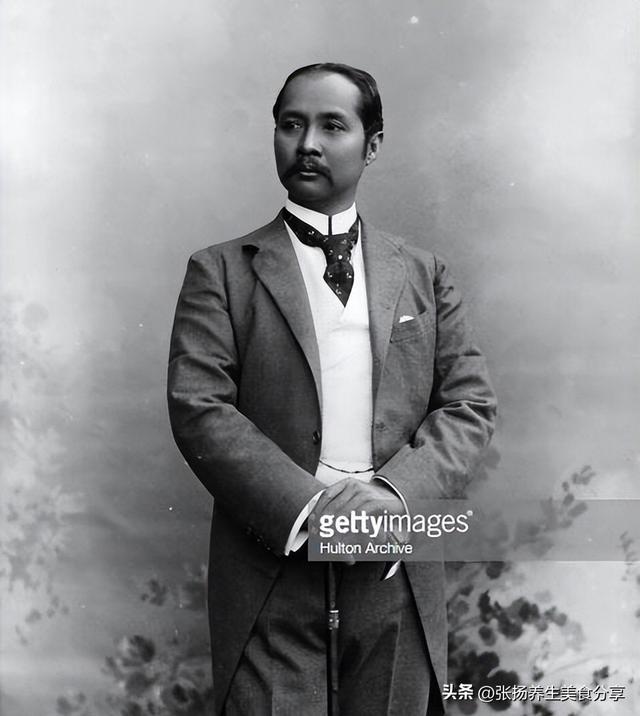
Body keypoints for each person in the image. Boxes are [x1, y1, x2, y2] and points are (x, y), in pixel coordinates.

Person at [168, 62, 496, 715]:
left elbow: (469, 405)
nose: (308, 144)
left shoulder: (424, 275)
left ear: (372, 145)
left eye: (332, 126)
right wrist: (311, 512)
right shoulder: (220, 272)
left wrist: (393, 497)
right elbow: (199, 408)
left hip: (393, 570)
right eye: (292, 125)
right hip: (272, 568)